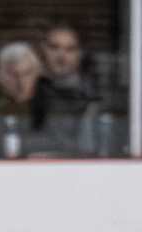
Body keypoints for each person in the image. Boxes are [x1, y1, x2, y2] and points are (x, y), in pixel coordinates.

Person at [34, 21, 95, 153]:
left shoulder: (91, 94)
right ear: (44, 49)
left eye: (69, 49)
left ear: (79, 53)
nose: (61, 55)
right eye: (54, 47)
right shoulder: (32, 88)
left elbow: (89, 148)